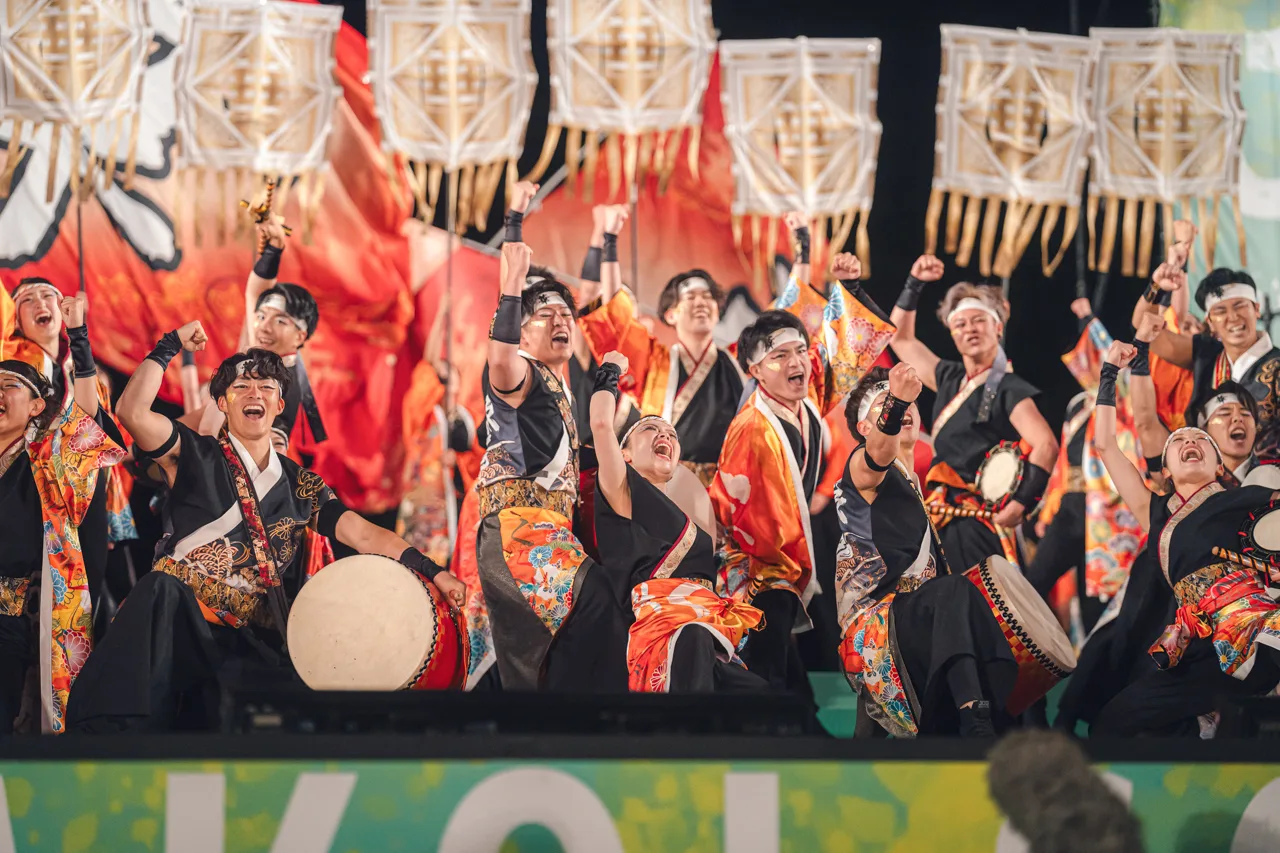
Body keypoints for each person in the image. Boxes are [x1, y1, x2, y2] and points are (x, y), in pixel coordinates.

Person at [66, 331, 465, 732]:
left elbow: (365, 535)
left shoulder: (301, 486)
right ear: (223, 403)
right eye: (241, 386)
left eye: (266, 387)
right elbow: (132, 411)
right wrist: (170, 344)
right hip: (181, 622)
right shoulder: (193, 454)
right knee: (159, 589)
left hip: (245, 639)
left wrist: (435, 572)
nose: (254, 392)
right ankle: (113, 735)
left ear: (278, 404)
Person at [473, 182, 630, 692]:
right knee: (597, 601)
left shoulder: (557, 383)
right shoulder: (519, 373)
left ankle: (566, 724)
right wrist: (512, 275)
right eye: (547, 315)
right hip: (517, 530)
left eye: (567, 316)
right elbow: (500, 358)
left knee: (569, 640)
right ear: (522, 330)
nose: (561, 321)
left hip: (550, 531)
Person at [712, 252, 893, 692]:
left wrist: (849, 288)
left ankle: (802, 722)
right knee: (765, 673)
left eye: (799, 351)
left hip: (782, 563)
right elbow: (752, 517)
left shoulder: (803, 397)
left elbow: (845, 354)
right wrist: (788, 569)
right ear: (755, 370)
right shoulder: (752, 428)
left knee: (784, 679)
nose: (797, 363)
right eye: (780, 355)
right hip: (756, 568)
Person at [1090, 340, 1280, 736]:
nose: (1190, 443)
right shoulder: (1155, 511)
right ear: (1166, 470)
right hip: (1195, 649)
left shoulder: (1249, 499)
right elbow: (1105, 445)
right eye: (1178, 441)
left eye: (1200, 441)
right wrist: (1109, 374)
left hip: (1254, 637)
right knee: (1111, 722)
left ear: (1218, 465)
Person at [835, 364, 1017, 737]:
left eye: (907, 404)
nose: (903, 410)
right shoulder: (860, 468)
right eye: (885, 405)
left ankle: (999, 715)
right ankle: (974, 715)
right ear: (864, 428)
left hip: (913, 620)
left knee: (969, 599)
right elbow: (877, 454)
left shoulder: (913, 482)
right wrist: (897, 399)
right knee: (953, 590)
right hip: (877, 627)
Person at [589, 351, 765, 692]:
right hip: (664, 632)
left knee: (766, 701)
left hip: (707, 631)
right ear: (625, 454)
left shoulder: (690, 512)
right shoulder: (621, 488)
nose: (665, 436)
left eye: (671, 434)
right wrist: (610, 370)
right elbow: (600, 424)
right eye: (650, 429)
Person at [888, 256, 1059, 569]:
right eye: (960, 324)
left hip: (980, 521)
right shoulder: (948, 377)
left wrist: (1021, 503)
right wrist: (914, 283)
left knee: (981, 597)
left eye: (979, 320)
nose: (970, 329)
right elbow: (899, 337)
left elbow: (1045, 444)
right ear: (952, 334)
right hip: (942, 516)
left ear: (998, 326)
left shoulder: (1009, 387)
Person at [0, 357, 125, 735]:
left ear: (36, 406)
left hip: (10, 614)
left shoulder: (50, 460)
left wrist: (80, 345)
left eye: (9, 386)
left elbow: (88, 426)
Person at [578, 213, 744, 488]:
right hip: (666, 484)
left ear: (718, 311)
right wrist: (610, 240)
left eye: (708, 297)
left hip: (728, 490)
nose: (701, 303)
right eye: (690, 297)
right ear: (670, 314)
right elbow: (617, 318)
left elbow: (781, 333)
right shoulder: (655, 363)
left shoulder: (738, 362)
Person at [1026, 298, 1144, 635]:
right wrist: (1049, 508)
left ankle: (1094, 661)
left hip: (1107, 508)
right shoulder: (1078, 404)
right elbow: (1063, 462)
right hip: (1072, 503)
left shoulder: (1126, 397)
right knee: (1033, 582)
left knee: (1098, 601)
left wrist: (1089, 318)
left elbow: (1106, 351)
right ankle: (1027, 653)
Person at [192, 219, 327, 455]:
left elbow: (270, 451)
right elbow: (256, 291)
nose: (264, 327)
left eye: (280, 321)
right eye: (262, 316)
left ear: (300, 335)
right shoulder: (258, 355)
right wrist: (273, 250)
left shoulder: (280, 385)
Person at [1135, 259, 1280, 463]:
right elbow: (1143, 327)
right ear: (1210, 322)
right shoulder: (1206, 355)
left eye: (1239, 306)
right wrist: (1156, 287)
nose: (1233, 317)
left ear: (1256, 309)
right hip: (1205, 477)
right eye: (1220, 311)